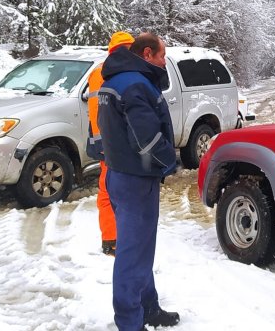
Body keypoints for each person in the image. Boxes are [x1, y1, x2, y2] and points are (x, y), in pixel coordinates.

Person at [97, 32, 180, 331]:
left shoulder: (116, 80)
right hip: (135, 181)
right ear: (147, 54)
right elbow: (147, 140)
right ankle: (130, 322)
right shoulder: (134, 84)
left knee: (140, 249)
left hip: (121, 175)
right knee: (132, 256)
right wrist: (169, 161)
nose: (163, 61)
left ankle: (148, 308)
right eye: (161, 55)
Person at [86, 31, 135, 256]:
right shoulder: (127, 73)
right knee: (125, 194)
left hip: (100, 141)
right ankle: (121, 239)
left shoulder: (97, 72)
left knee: (106, 193)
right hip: (118, 144)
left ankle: (109, 239)